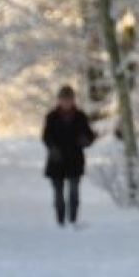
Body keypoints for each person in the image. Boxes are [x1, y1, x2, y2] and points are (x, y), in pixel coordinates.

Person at [40, 85, 95, 227]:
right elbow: (46, 137)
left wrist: (86, 140)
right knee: (58, 194)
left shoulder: (81, 117)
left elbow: (89, 136)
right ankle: (60, 220)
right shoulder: (51, 117)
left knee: (74, 193)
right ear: (59, 100)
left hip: (75, 160)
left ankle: (73, 220)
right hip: (56, 160)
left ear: (73, 100)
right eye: (63, 99)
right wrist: (53, 149)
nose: (66, 102)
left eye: (69, 99)